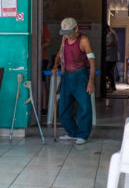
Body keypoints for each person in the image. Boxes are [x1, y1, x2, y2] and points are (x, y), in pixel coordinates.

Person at [52, 17, 95, 145]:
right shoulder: (65, 38)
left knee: (84, 107)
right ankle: (72, 133)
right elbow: (60, 54)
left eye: (70, 33)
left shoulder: (84, 40)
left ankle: (83, 134)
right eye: (65, 33)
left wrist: (91, 81)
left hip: (81, 76)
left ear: (76, 29)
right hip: (68, 77)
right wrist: (55, 66)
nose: (67, 36)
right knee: (64, 107)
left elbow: (92, 62)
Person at [42, 24, 51, 116]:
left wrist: (40, 46)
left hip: (42, 58)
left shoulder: (43, 27)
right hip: (32, 58)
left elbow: (49, 42)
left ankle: (44, 108)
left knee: (42, 82)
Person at [105, 24, 119, 91]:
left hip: (111, 58)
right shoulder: (110, 34)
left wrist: (103, 45)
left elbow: (112, 43)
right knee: (109, 72)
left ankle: (112, 87)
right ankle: (112, 87)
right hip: (110, 57)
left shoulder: (111, 34)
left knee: (108, 72)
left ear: (107, 29)